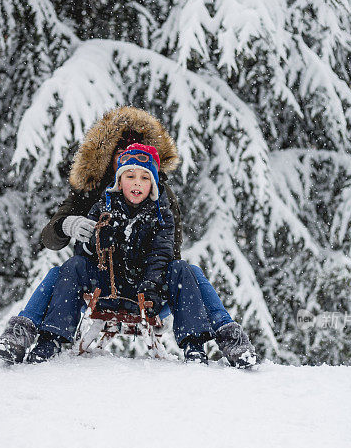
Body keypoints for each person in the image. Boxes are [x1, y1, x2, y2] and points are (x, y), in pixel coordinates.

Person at [0, 106, 256, 365]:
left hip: (148, 283)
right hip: (101, 281)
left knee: (190, 272)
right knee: (61, 272)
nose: (135, 177)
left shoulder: (158, 196)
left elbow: (168, 251)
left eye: (142, 168)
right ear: (108, 156)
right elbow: (50, 238)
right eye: (120, 153)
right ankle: (26, 333)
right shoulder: (93, 192)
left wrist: (149, 279)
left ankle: (227, 335)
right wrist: (70, 227)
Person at [25, 143, 213, 363]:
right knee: (73, 265)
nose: (136, 183)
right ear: (118, 180)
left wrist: (151, 284)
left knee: (182, 269)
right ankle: (51, 339)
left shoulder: (162, 214)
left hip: (146, 291)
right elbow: (85, 254)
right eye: (130, 176)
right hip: (106, 289)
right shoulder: (102, 207)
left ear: (153, 184)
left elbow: (162, 253)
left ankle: (195, 345)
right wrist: (92, 241)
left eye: (144, 178)